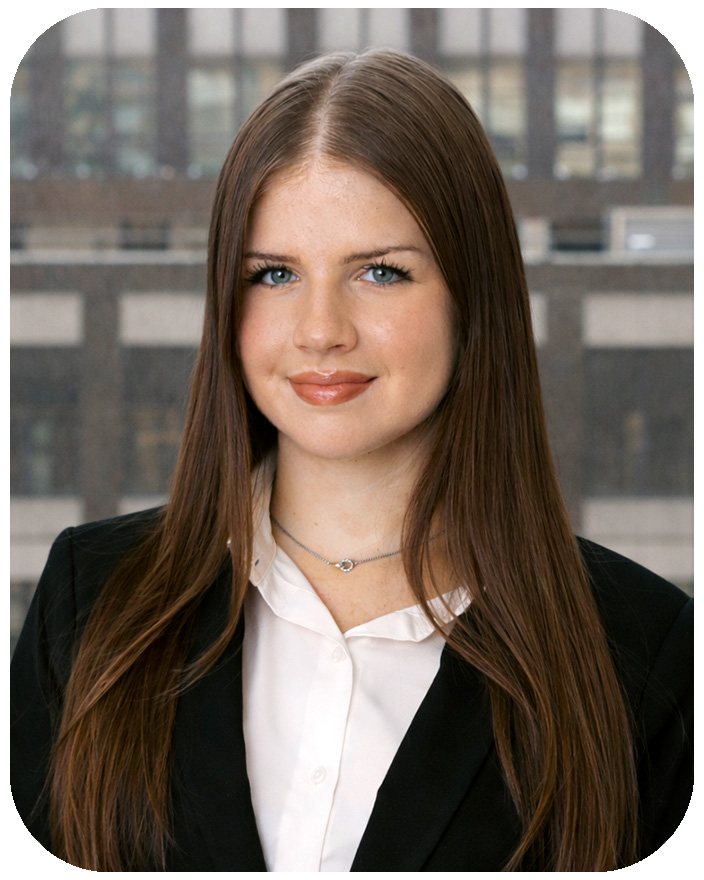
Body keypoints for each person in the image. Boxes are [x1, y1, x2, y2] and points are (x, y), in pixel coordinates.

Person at [11, 49, 692, 872]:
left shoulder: (646, 657)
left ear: (472, 294)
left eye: (380, 272)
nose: (320, 330)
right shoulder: (90, 601)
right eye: (274, 274)